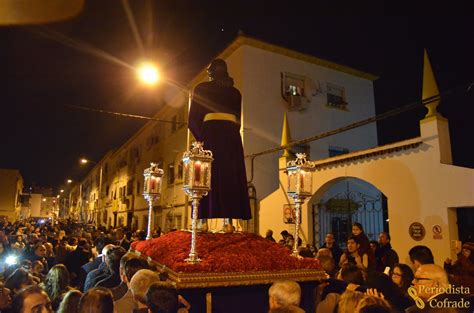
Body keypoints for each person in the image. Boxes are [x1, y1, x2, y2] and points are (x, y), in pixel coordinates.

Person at [188, 58, 252, 223]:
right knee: (230, 175)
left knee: (206, 174)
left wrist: (201, 138)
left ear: (210, 72)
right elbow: (237, 119)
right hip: (231, 136)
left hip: (211, 132)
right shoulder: (235, 92)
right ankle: (228, 221)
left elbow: (193, 119)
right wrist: (231, 134)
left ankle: (202, 222)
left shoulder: (201, 88)